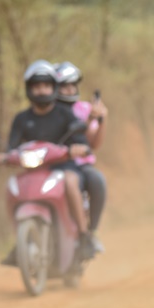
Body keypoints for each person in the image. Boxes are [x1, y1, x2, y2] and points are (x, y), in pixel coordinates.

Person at [0, 60, 96, 264]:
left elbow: (81, 141)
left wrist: (78, 148)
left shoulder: (64, 114)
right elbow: (12, 147)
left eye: (46, 86)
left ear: (53, 88)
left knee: (70, 181)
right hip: (34, 170)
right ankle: (19, 241)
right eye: (37, 86)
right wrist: (3, 156)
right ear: (29, 89)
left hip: (63, 166)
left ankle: (84, 235)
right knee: (12, 186)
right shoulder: (21, 119)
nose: (42, 90)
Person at [55, 61, 108, 252]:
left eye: (72, 85)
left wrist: (100, 120)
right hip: (53, 163)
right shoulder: (49, 110)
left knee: (97, 180)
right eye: (64, 85)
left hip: (79, 165)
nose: (69, 89)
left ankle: (91, 232)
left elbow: (93, 143)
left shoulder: (84, 109)